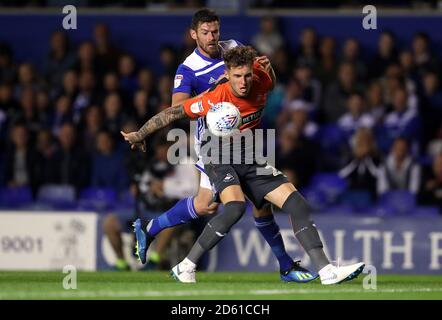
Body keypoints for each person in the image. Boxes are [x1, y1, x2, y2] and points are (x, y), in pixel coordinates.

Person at [122, 46, 365, 285]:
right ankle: (186, 266)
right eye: (237, 76)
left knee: (296, 203)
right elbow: (172, 113)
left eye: (247, 75)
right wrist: (141, 133)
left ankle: (326, 271)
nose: (244, 82)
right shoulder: (214, 98)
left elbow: (269, 78)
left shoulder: (261, 78)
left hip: (249, 155)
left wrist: (269, 72)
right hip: (217, 155)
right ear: (227, 74)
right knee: (234, 207)